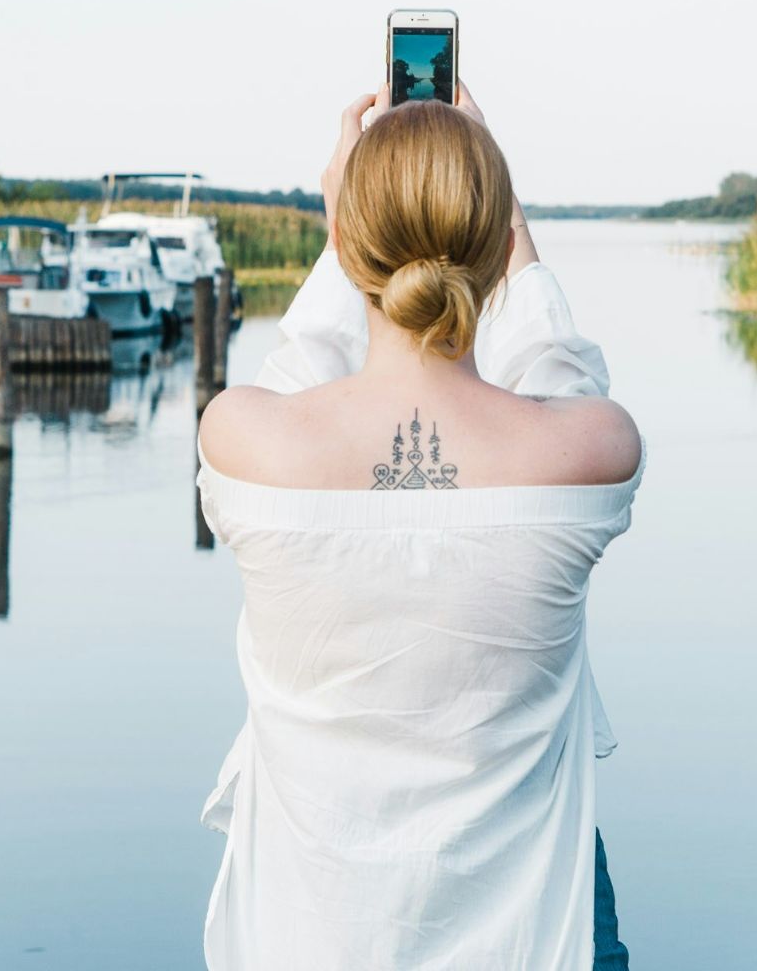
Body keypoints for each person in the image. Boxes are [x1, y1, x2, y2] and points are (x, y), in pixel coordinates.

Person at [196, 82, 643, 970]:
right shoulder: (594, 449)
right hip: (538, 941)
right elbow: (561, 383)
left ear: (346, 239)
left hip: (304, 941)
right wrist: (517, 245)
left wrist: (340, 251)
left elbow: (296, 387)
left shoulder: (244, 439)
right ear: (497, 238)